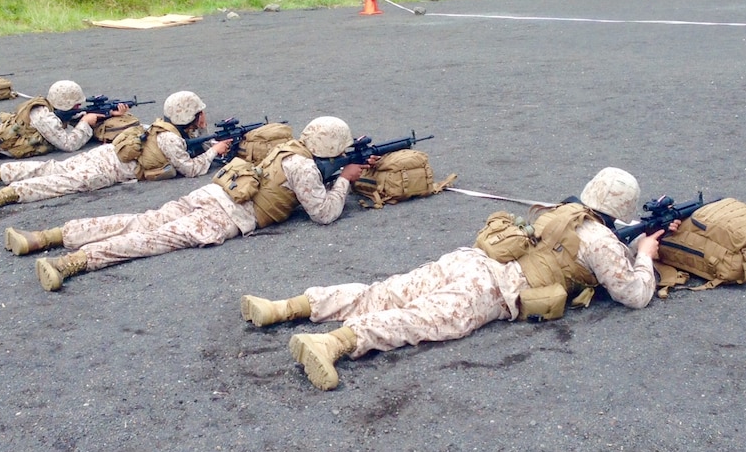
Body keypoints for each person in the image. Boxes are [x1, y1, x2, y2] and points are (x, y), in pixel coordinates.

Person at [238, 167, 676, 391]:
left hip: (469, 260)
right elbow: (633, 295)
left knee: (385, 291)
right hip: (494, 289)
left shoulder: (562, 210)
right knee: (420, 320)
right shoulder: (603, 242)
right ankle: (332, 343)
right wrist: (645, 255)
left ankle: (287, 307)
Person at [3, 116, 380, 292]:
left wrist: (338, 173)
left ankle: (46, 237)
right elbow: (324, 214)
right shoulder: (305, 168)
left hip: (212, 193)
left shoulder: (290, 149)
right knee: (153, 239)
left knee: (141, 220)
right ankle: (72, 262)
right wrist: (345, 181)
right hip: (229, 214)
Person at [0, 90, 233, 215]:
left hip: (106, 154)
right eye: (200, 113)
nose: (204, 117)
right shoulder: (172, 141)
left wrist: (213, 144)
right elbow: (190, 169)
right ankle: (2, 195)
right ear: (190, 116)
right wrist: (215, 153)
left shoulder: (161, 126)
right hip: (111, 169)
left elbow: (196, 141)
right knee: (62, 182)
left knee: (53, 167)